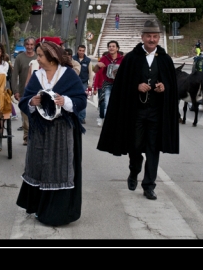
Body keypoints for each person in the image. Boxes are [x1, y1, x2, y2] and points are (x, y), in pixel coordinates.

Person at [97, 20, 180, 201]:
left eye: (155, 36)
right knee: (134, 146)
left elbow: (172, 86)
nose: (152, 39)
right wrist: (136, 86)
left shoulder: (165, 59)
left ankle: (149, 185)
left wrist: (163, 87)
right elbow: (121, 85)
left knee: (153, 148)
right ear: (142, 38)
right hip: (137, 112)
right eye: (148, 36)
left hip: (156, 112)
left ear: (159, 38)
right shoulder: (132, 59)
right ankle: (134, 170)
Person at [16, 41, 87, 226]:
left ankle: (58, 213)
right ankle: (40, 208)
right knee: (38, 166)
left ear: (52, 57)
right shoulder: (37, 76)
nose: (37, 59)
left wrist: (66, 101)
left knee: (59, 168)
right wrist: (33, 101)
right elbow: (24, 101)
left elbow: (81, 99)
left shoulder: (68, 75)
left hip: (62, 131)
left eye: (40, 56)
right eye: (37, 55)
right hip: (40, 131)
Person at [11, 37, 37, 146]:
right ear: (25, 45)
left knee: (35, 116)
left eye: (31, 44)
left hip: (36, 92)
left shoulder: (38, 57)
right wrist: (16, 91)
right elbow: (14, 75)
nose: (30, 47)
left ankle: (35, 136)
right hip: (23, 92)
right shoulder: (20, 58)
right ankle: (26, 136)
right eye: (27, 44)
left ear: (34, 45)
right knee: (25, 116)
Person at [94, 40, 124, 126]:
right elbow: (95, 71)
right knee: (107, 103)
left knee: (119, 104)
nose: (111, 48)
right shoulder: (104, 58)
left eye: (113, 46)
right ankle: (108, 123)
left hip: (119, 85)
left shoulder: (122, 59)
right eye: (110, 46)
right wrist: (97, 65)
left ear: (117, 48)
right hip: (107, 84)